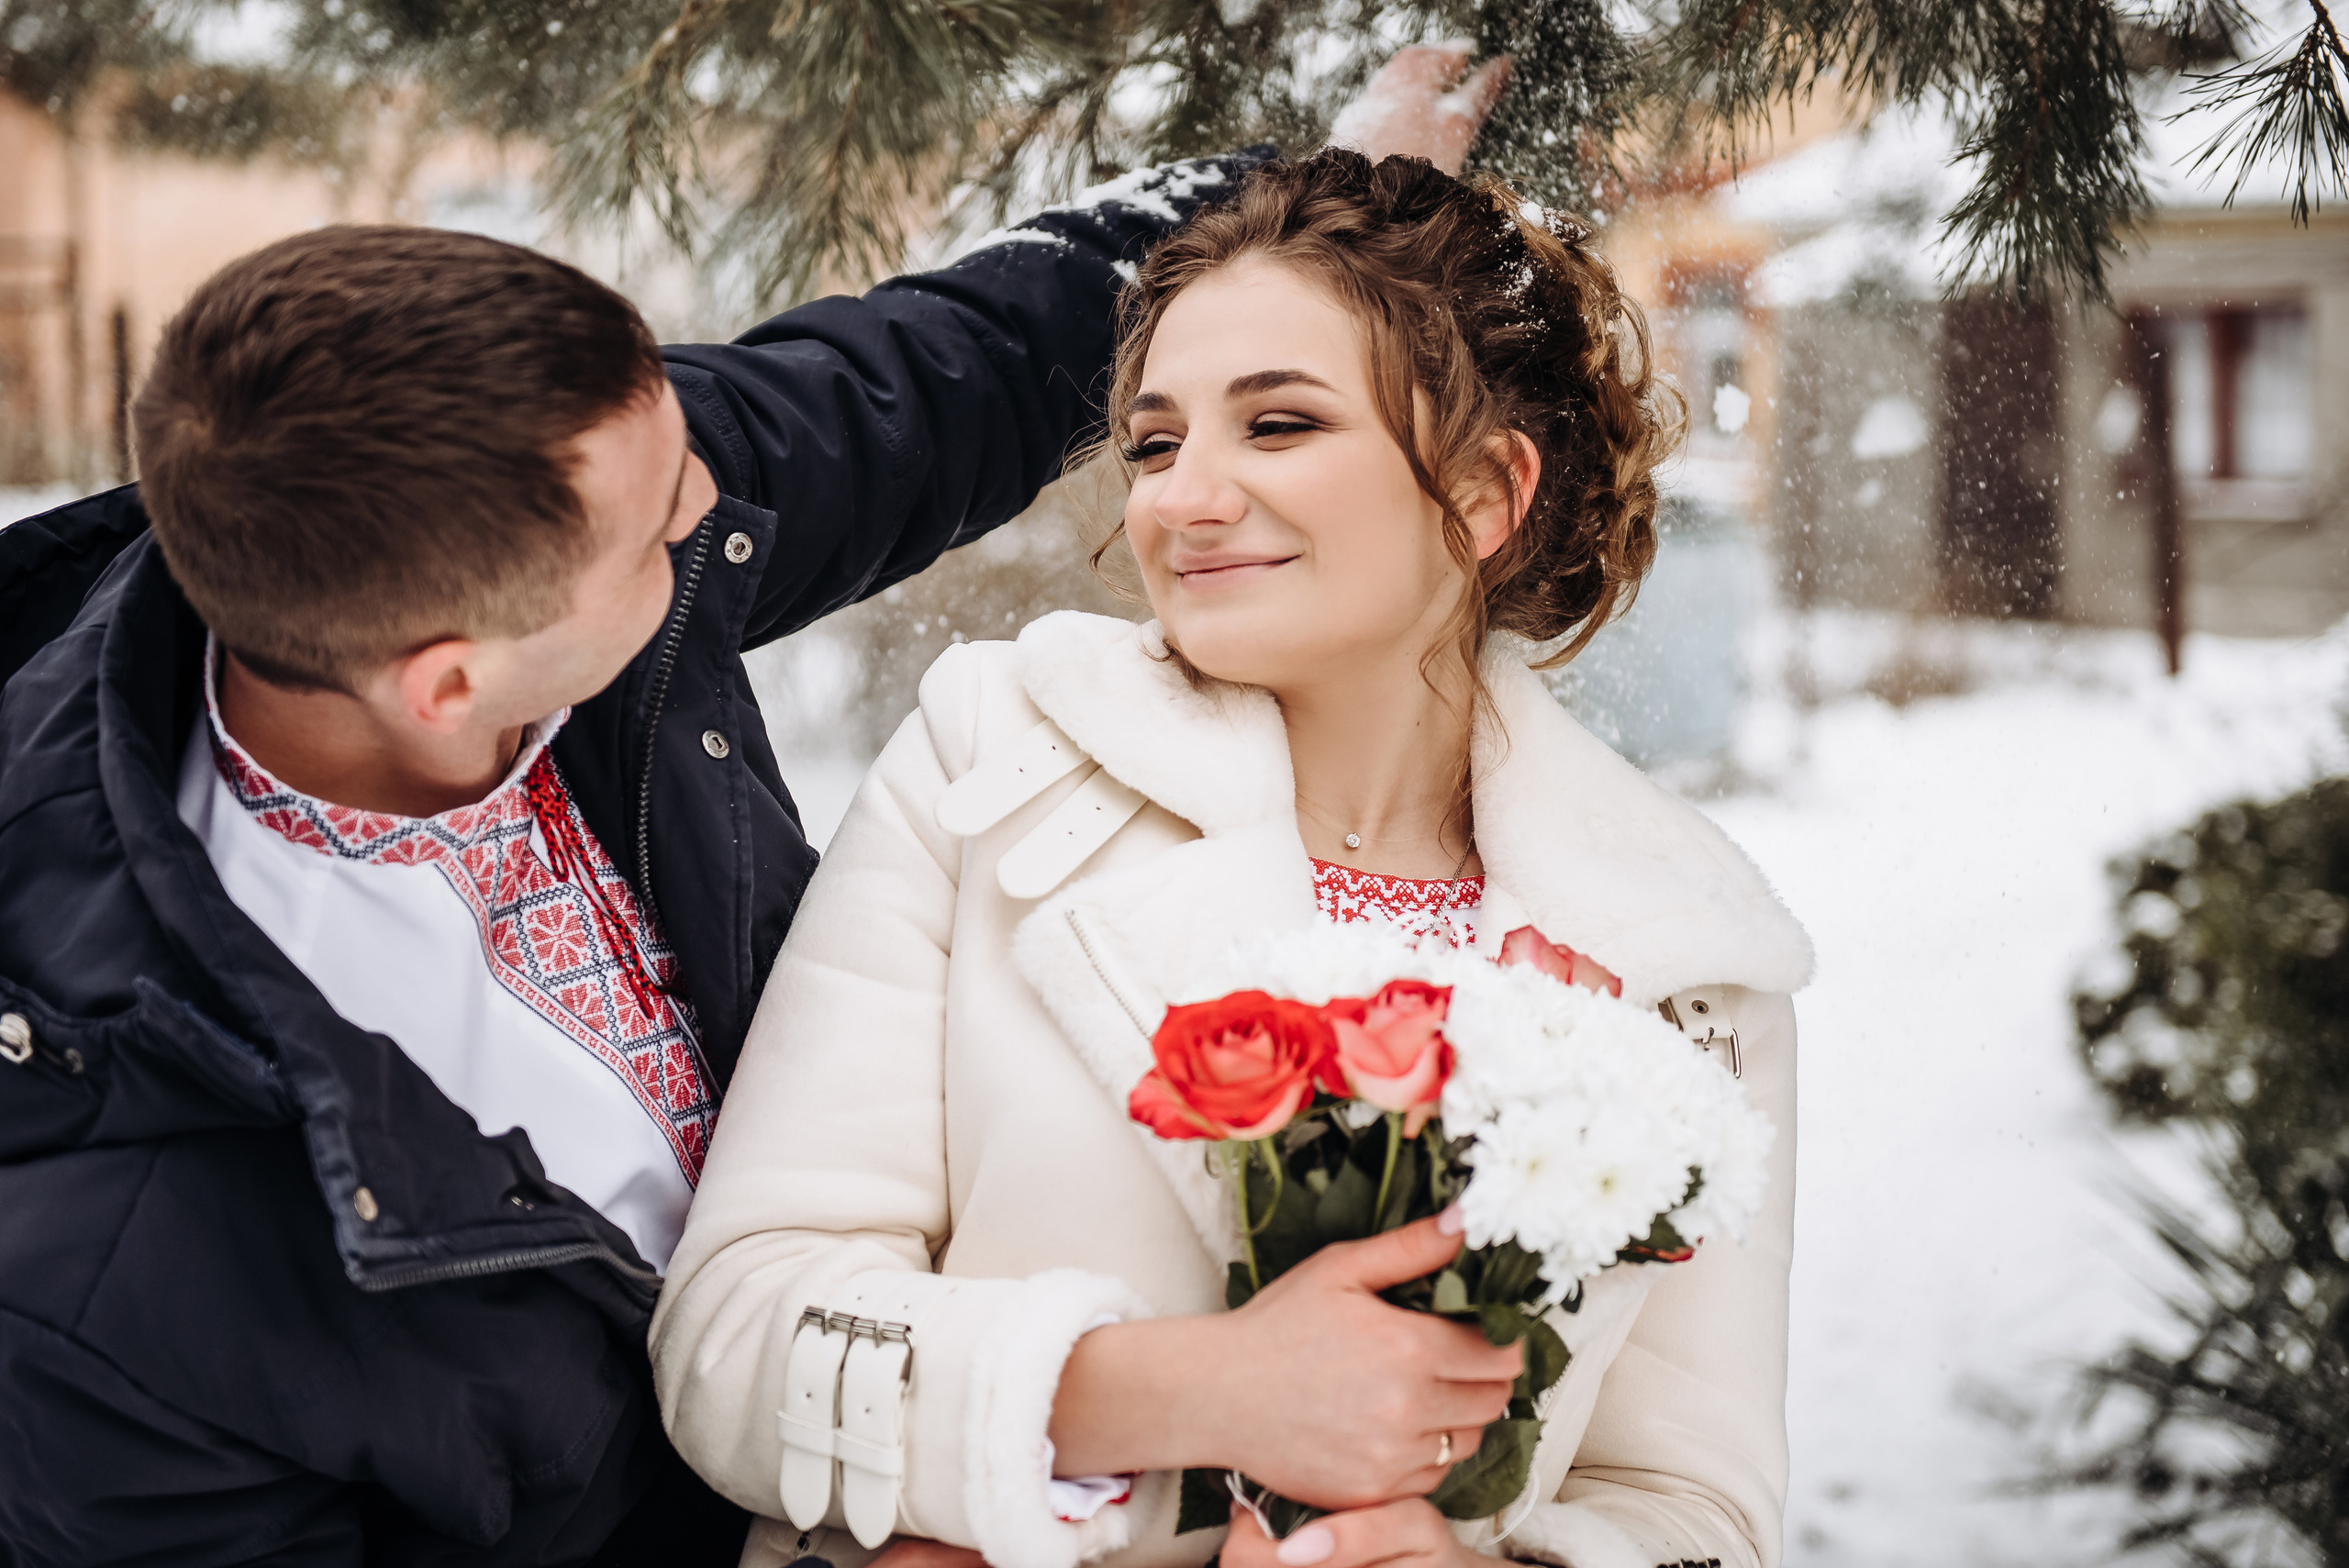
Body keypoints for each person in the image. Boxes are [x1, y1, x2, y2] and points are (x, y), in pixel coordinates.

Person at [0, 53, 1499, 1566]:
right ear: (447, 686)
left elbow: (922, 379)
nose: (714, 518)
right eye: (662, 537)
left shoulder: (522, 499)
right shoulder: (104, 1291)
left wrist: (1303, 190)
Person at [653, 149, 1814, 1568]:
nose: (1180, 499)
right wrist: (1167, 1393)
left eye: (1277, 425)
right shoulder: (993, 767)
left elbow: (1695, 1505)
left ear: (1487, 492)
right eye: (1152, 442)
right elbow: (735, 1332)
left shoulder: (1685, 944)